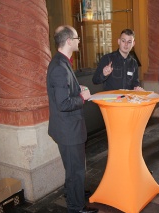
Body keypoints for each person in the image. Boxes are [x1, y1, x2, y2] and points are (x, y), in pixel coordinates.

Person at [47, 25, 98, 213]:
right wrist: (82, 97)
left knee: (73, 168)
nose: (78, 41)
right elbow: (63, 104)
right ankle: (76, 207)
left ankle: (74, 193)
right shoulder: (60, 67)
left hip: (67, 127)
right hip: (69, 130)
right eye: (76, 38)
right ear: (69, 41)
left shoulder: (62, 62)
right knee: (76, 169)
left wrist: (77, 88)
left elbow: (64, 90)